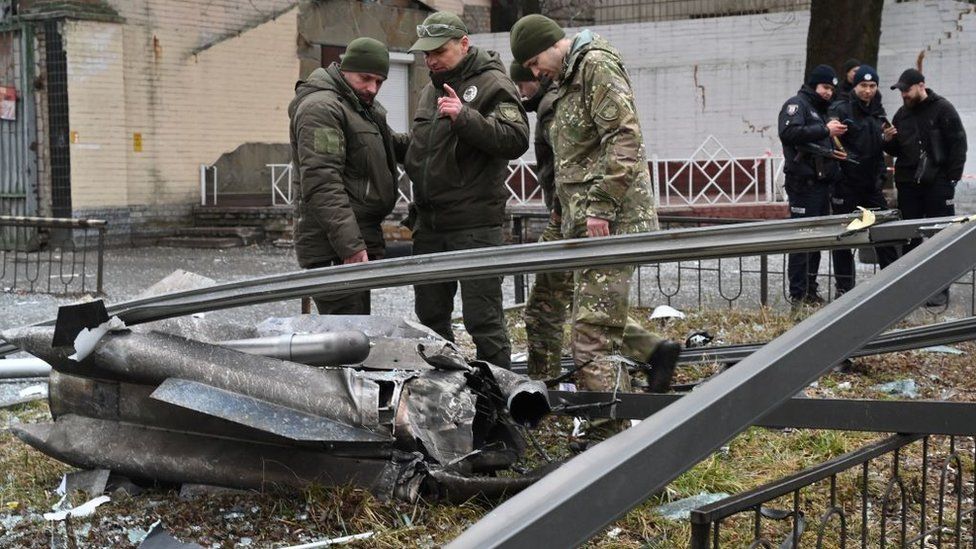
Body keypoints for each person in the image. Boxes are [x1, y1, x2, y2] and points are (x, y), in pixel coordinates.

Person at [511, 14, 680, 444]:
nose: (534, 73)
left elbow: (624, 137)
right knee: (589, 322)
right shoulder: (569, 76)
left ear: (553, 44)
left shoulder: (595, 66)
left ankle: (608, 436)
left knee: (590, 331)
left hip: (611, 220)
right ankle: (629, 389)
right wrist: (564, 213)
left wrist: (601, 206)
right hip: (585, 220)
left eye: (534, 62)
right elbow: (577, 156)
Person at [403, 12, 530, 369]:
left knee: (483, 321)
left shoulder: (492, 82)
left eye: (438, 51)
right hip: (429, 225)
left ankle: (500, 404)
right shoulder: (431, 88)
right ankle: (445, 399)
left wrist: (465, 116)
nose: (431, 60)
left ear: (463, 44)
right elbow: (424, 149)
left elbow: (516, 138)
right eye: (425, 53)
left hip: (474, 226)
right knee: (429, 322)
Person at [288, 37, 404, 314]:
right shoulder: (322, 108)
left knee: (355, 336)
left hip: (354, 243)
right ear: (345, 68)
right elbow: (322, 182)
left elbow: (394, 145)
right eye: (365, 78)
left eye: (379, 82)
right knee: (346, 337)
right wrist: (350, 247)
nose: (372, 88)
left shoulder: (357, 106)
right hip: (334, 249)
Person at [883, 68, 968, 306]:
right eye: (901, 91)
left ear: (921, 85)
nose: (904, 95)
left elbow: (958, 144)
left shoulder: (943, 109)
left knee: (939, 236)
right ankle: (911, 288)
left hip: (937, 184)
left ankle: (939, 289)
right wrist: (888, 142)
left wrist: (951, 179)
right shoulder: (902, 114)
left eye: (907, 90)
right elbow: (897, 150)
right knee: (910, 237)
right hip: (909, 184)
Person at [509, 61, 569, 381]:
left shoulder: (549, 106)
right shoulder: (550, 101)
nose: (520, 93)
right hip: (567, 214)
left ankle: (543, 388)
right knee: (581, 305)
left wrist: (559, 209)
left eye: (522, 85)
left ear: (536, 78)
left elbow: (567, 160)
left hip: (565, 218)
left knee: (543, 311)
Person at [778, 64, 847, 306]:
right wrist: (825, 130)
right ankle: (798, 294)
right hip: (802, 184)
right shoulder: (797, 105)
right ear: (813, 85)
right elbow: (789, 134)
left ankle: (810, 290)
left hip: (820, 184)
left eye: (831, 89)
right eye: (825, 87)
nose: (828, 92)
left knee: (815, 241)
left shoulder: (820, 110)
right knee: (801, 240)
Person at [827, 64, 899, 295]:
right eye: (863, 86)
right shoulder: (841, 109)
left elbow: (886, 146)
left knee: (885, 232)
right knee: (844, 238)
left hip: (871, 185)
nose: (868, 90)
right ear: (855, 86)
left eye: (872, 86)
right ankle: (844, 287)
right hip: (846, 185)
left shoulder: (878, 113)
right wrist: (845, 162)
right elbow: (831, 140)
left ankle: (891, 283)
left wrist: (888, 140)